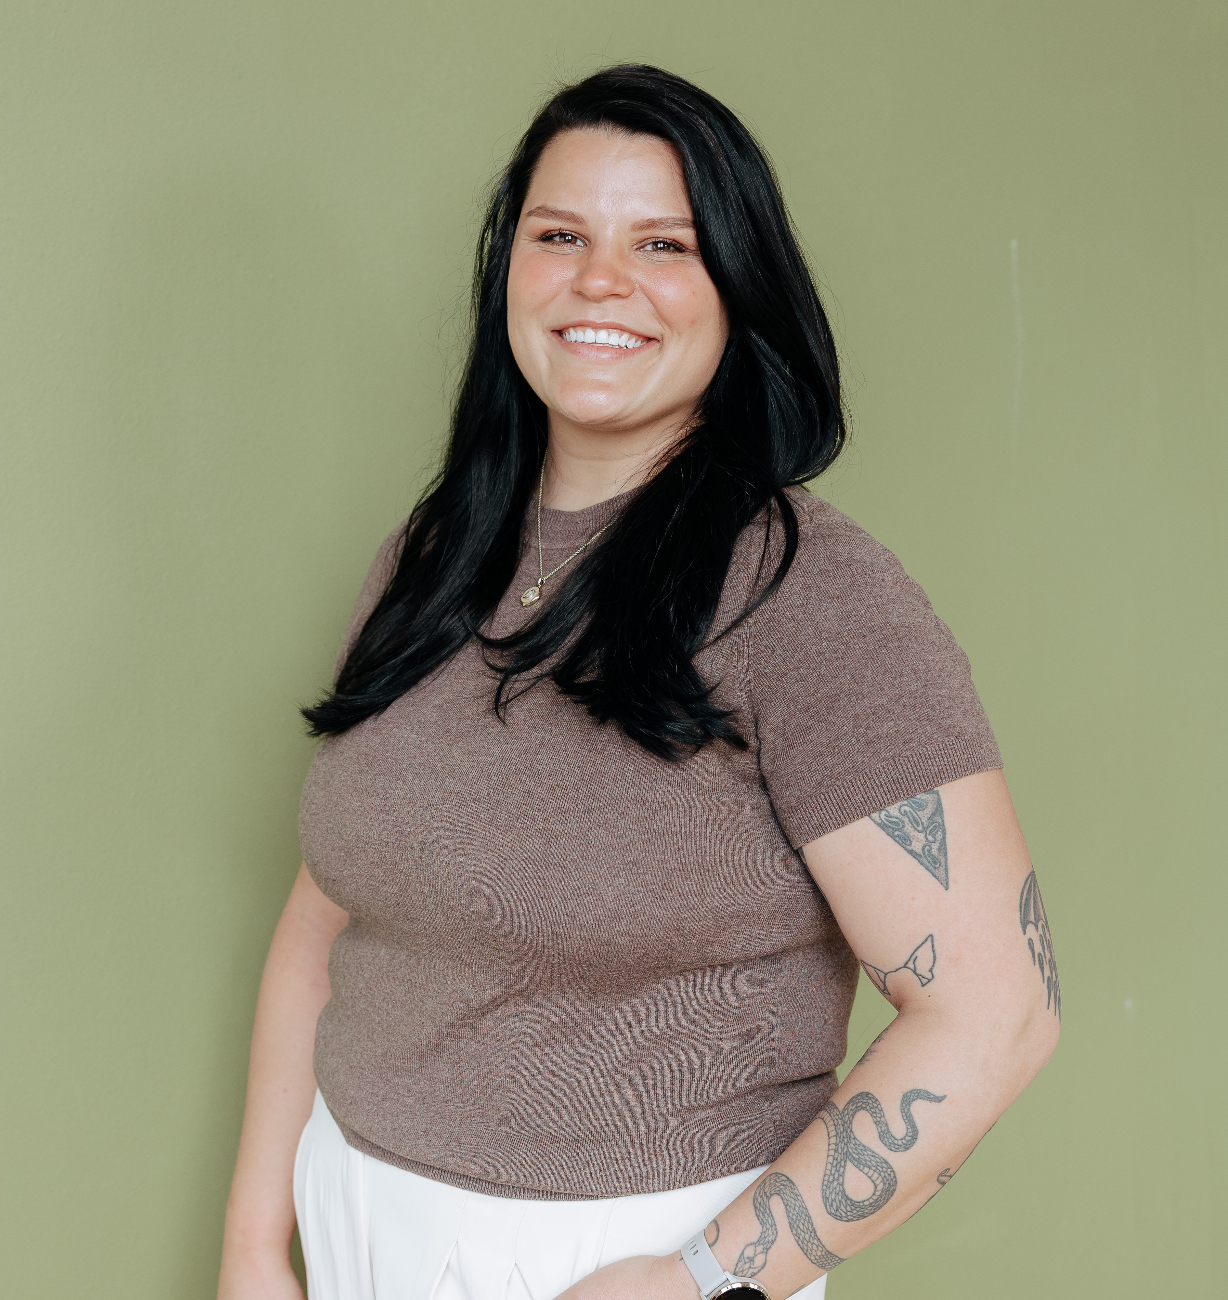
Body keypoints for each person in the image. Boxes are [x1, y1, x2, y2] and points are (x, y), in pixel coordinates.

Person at [216, 64, 1060, 1300]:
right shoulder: (435, 552)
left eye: (662, 243)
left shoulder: (813, 597)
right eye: (560, 236)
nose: (598, 281)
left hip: (633, 1263)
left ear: (736, 290)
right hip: (354, 1221)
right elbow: (329, 910)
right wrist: (255, 1238)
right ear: (510, 267)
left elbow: (996, 1018)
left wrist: (701, 1283)